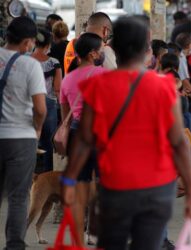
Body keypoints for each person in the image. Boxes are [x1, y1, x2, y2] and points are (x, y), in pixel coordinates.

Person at [61, 16, 191, 250]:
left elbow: (84, 141)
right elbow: (178, 142)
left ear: (112, 48)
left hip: (115, 187)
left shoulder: (98, 87)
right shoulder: (164, 87)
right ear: (146, 50)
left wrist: (68, 180)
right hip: (156, 187)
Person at [0, 16, 47, 249]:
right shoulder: (30, 65)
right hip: (21, 138)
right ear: (27, 42)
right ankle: (14, 245)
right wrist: (37, 129)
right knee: (18, 197)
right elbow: (40, 108)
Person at [60, 32, 107, 243]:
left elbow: (65, 116)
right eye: (101, 49)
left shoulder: (67, 79)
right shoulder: (102, 74)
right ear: (92, 53)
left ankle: (79, 239)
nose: (103, 52)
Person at [31, 28, 62, 173]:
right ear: (48, 44)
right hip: (49, 104)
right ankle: (47, 175)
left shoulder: (26, 60)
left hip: (29, 104)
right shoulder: (54, 63)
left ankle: (31, 174)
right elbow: (57, 88)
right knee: (48, 143)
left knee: (31, 142)